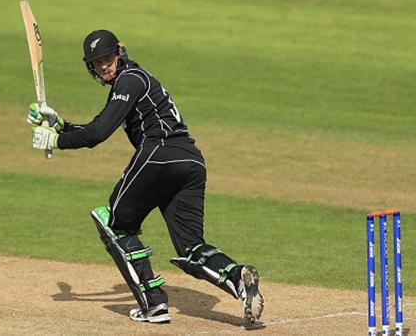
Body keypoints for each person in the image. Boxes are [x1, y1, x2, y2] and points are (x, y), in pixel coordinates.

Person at [28, 29, 263, 324]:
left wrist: (54, 141)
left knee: (114, 224)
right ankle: (240, 279)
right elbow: (96, 125)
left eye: (107, 58)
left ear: (120, 53)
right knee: (191, 248)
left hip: (160, 153)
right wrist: (60, 125)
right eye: (97, 62)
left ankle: (154, 304)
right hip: (190, 162)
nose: (104, 66)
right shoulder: (134, 80)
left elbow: (98, 133)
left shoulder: (130, 79)